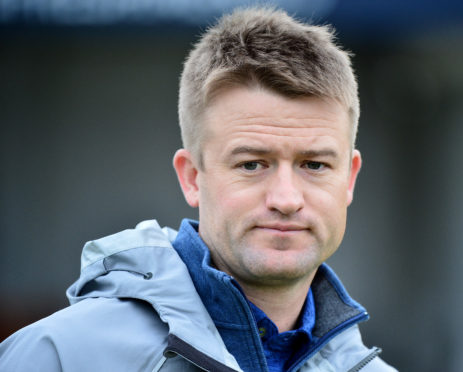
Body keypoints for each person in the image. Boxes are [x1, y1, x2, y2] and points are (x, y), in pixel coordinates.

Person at [0, 7, 396, 372]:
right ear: (191, 177)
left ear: (348, 178)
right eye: (252, 164)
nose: (286, 199)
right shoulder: (61, 356)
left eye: (314, 165)